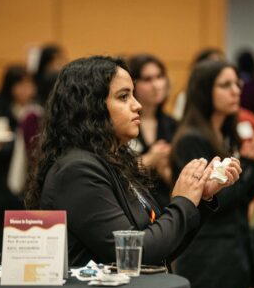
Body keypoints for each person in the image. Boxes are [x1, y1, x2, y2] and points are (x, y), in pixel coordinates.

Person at [25, 56, 241, 271]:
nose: (137, 105)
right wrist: (183, 201)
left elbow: (162, 248)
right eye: (123, 97)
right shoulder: (78, 171)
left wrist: (199, 198)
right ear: (91, 106)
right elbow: (136, 253)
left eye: (133, 95)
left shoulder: (115, 161)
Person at [170, 60, 254, 288]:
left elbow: (242, 198)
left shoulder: (225, 135)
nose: (235, 91)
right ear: (205, 90)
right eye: (225, 85)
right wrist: (251, 162)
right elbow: (216, 202)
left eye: (237, 84)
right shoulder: (191, 139)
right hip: (209, 263)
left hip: (233, 258)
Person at [0, 65, 42, 264]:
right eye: (20, 84)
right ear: (10, 86)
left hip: (25, 181)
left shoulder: (36, 111)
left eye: (29, 84)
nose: (26, 89)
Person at [128, 54, 176, 208]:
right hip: (133, 206)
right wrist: (149, 160)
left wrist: (166, 171)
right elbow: (116, 172)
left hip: (167, 206)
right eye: (147, 79)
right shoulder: (123, 125)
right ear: (133, 83)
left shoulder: (175, 125)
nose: (156, 85)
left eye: (159, 77)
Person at [173, 47, 225, 120]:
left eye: (220, 63)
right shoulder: (185, 96)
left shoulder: (226, 94)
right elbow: (178, 121)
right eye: (212, 64)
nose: (217, 68)